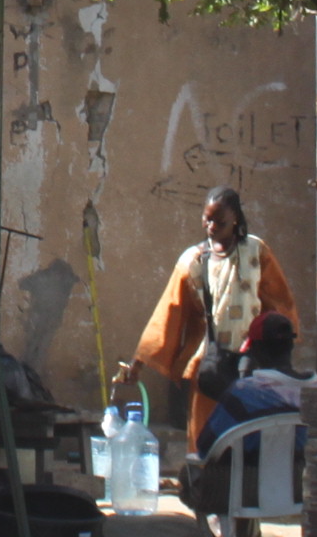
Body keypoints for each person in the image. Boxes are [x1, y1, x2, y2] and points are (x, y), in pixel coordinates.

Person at [116, 186, 300, 451]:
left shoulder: (257, 252)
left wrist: (281, 347)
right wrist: (138, 363)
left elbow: (279, 303)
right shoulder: (192, 261)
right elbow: (168, 313)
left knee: (247, 438)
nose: (211, 227)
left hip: (252, 364)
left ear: (235, 219)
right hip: (209, 367)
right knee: (205, 439)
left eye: (219, 221)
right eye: (207, 219)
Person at [184, 312, 314, 513]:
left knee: (190, 475)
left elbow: (205, 446)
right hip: (303, 488)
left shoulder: (243, 393)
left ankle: (228, 531)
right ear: (291, 346)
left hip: (245, 494)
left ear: (256, 350)